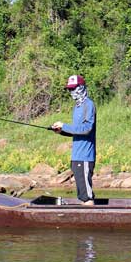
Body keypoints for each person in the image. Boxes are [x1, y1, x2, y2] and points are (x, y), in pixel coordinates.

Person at [51, 74, 97, 205]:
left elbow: (87, 128)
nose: (72, 92)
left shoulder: (89, 105)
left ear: (81, 88)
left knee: (87, 197)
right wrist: (61, 131)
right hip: (76, 156)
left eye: (74, 88)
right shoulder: (76, 107)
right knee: (82, 195)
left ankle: (90, 221)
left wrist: (64, 125)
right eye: (70, 89)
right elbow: (77, 131)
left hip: (85, 157)